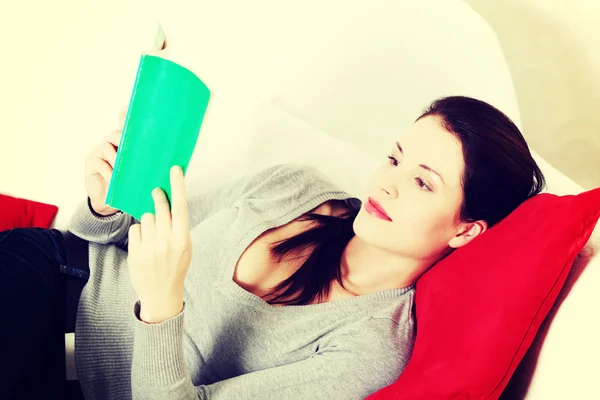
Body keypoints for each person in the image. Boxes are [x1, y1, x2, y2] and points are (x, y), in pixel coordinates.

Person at [0, 96, 545, 400]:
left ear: (467, 230)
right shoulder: (296, 186)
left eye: (424, 182)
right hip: (54, 279)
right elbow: (102, 240)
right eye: (395, 157)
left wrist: (163, 304)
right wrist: (104, 205)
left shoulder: (371, 348)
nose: (387, 183)